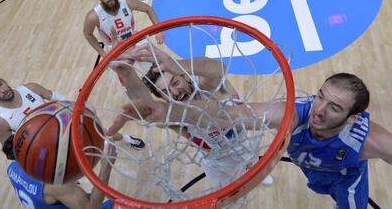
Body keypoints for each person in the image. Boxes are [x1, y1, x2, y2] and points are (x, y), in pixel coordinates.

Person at [114, 73, 392, 209]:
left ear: (353, 117)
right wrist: (162, 109)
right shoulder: (291, 114)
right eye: (320, 96)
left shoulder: (367, 141)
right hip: (222, 162)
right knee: (231, 198)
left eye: (334, 107)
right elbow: (227, 116)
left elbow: (213, 72)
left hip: (345, 176)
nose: (319, 110)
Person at [107, 44, 274, 187]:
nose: (175, 92)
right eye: (165, 92)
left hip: (245, 144)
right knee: (227, 198)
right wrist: (128, 74)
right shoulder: (176, 118)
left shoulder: (211, 88)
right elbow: (146, 109)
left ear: (185, 77)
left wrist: (179, 64)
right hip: (217, 164)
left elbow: (218, 69)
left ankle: (257, 172)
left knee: (252, 162)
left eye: (175, 82)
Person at [0, 73, 145, 158]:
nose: (1, 90)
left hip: (65, 122)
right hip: (47, 147)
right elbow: (11, 150)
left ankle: (127, 139)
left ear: (4, 80)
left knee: (101, 132)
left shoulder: (30, 88)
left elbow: (56, 97)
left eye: (0, 83)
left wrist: (75, 107)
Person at [6, 140, 116, 209]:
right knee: (120, 204)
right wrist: (106, 167)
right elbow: (91, 207)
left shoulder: (11, 169)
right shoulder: (55, 185)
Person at [83, 0, 164, 62]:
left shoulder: (127, 2)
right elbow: (88, 34)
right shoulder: (93, 16)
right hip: (115, 49)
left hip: (136, 40)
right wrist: (103, 54)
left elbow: (149, 9)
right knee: (126, 72)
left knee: (158, 65)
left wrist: (158, 30)